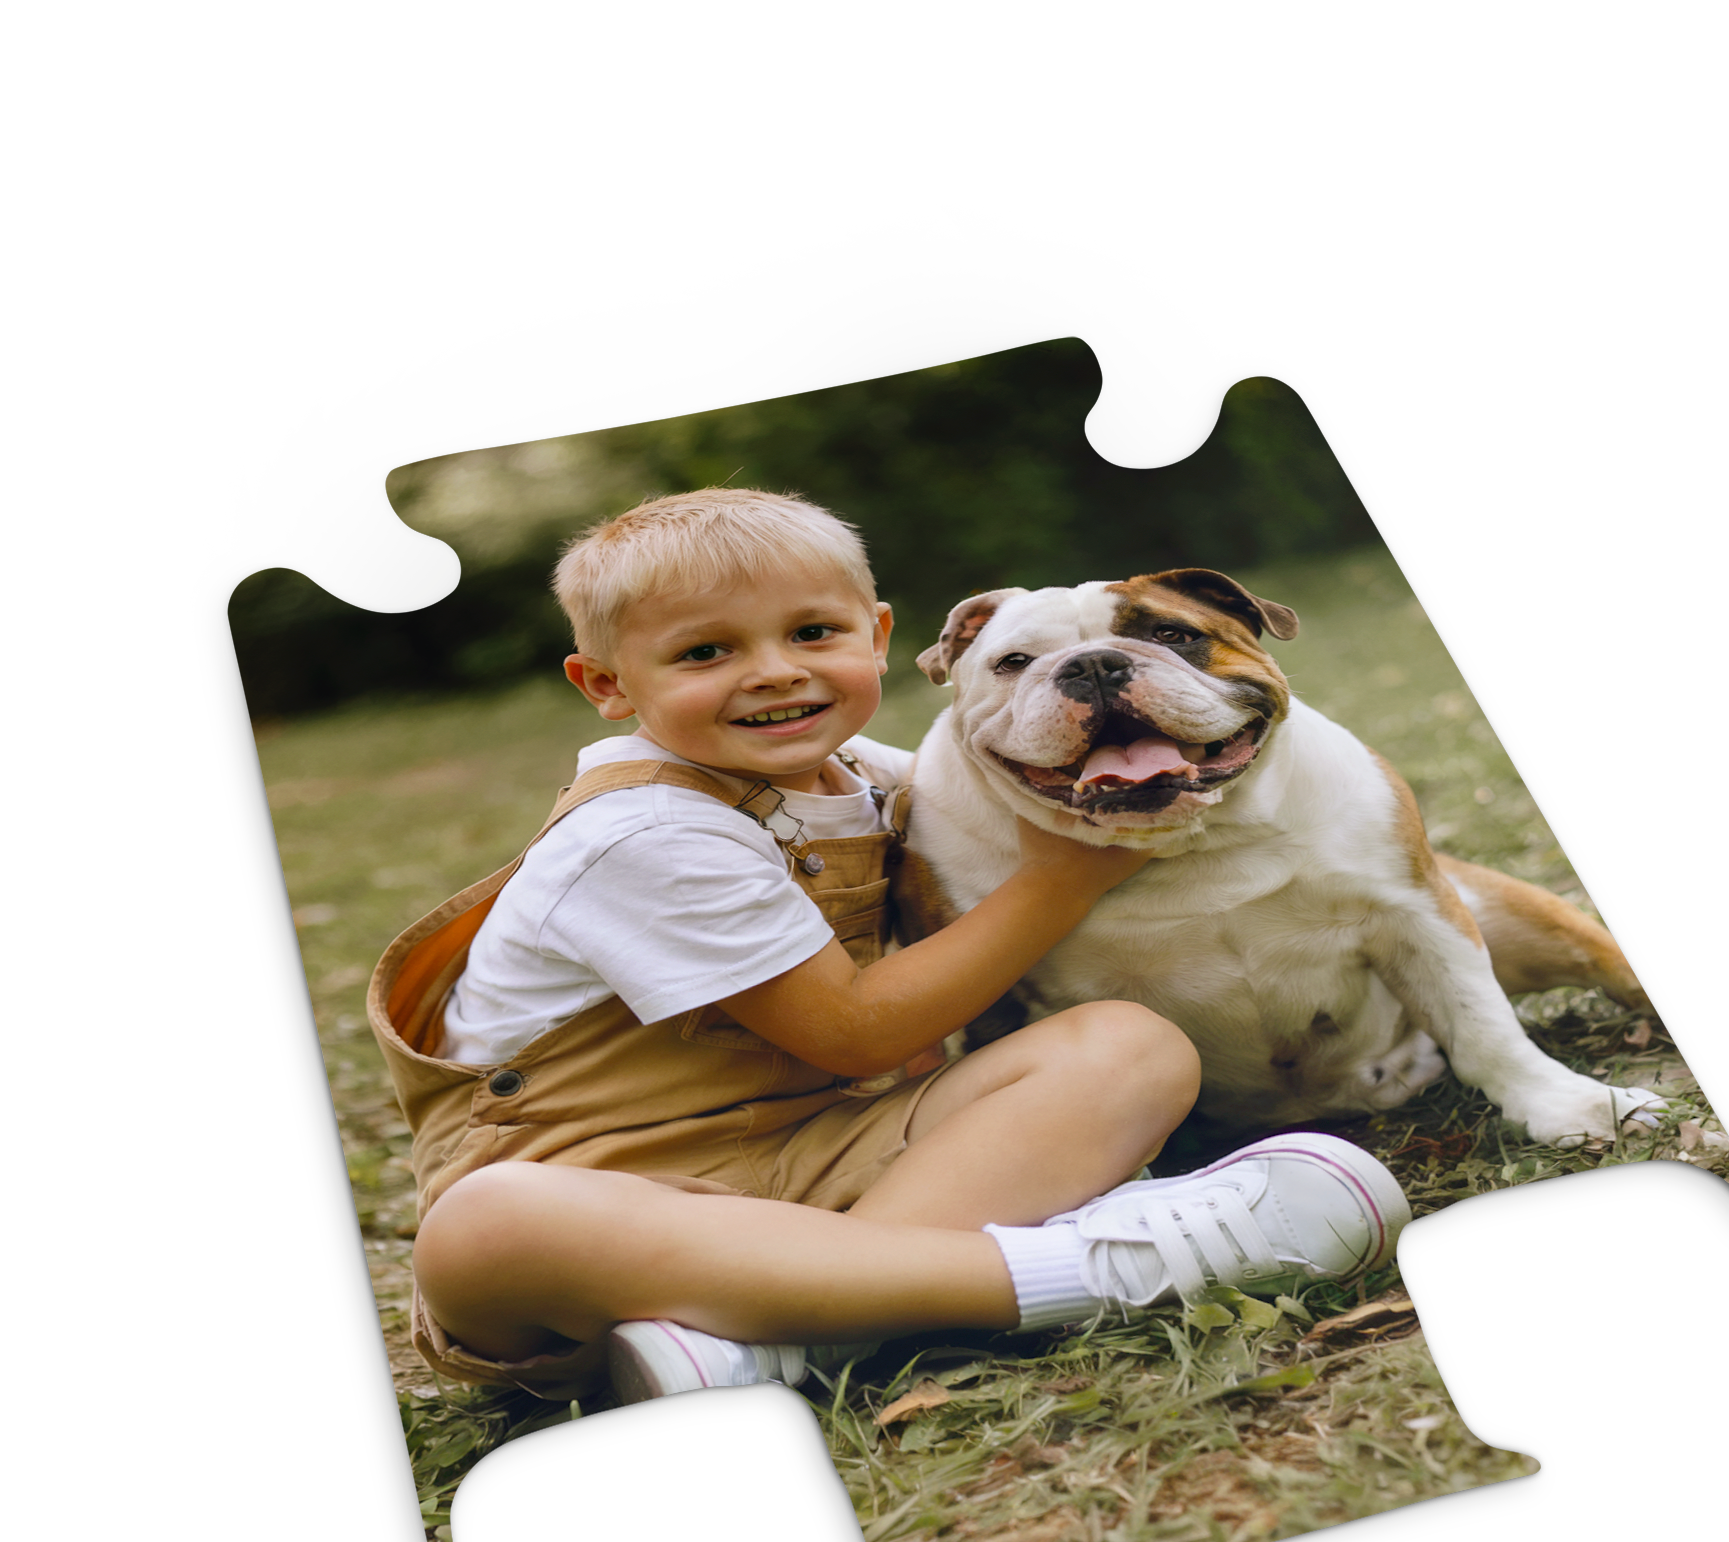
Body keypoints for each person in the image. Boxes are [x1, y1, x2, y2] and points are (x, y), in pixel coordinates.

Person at [367, 488, 1410, 1406]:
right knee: (486, 1221)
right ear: (604, 684)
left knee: (1125, 1046)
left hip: (827, 1163)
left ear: (877, 635)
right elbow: (853, 1032)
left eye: (812, 632)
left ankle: (782, 1340)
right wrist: (1066, 870)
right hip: (606, 1208)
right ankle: (1091, 1268)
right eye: (703, 652)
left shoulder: (857, 768)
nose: (772, 674)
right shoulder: (644, 833)